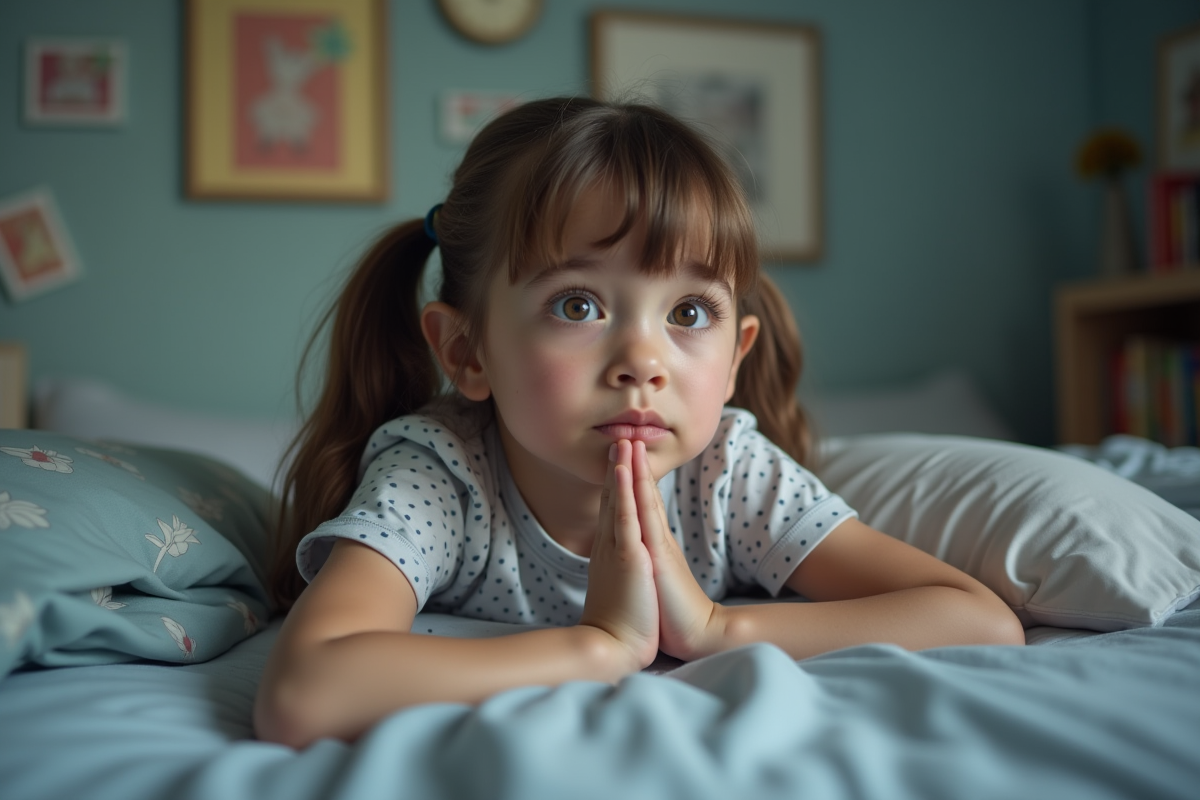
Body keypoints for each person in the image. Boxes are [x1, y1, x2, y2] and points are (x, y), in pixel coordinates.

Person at [254, 96, 1024, 749]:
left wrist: (720, 631)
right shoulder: (443, 473)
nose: (642, 361)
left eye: (689, 312)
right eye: (577, 305)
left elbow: (982, 622)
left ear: (732, 363)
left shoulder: (730, 473)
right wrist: (597, 648)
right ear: (468, 352)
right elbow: (303, 693)